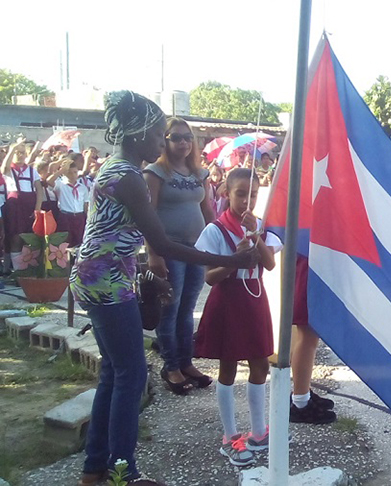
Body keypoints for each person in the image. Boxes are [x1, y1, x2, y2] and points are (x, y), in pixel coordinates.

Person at [70, 91, 258, 485]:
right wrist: (231, 261)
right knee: (131, 375)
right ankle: (125, 474)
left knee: (114, 372)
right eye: (158, 134)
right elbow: (166, 243)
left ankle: (94, 470)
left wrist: (145, 272)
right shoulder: (128, 177)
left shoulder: (117, 169)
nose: (161, 142)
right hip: (106, 283)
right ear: (138, 134)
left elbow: (115, 234)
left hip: (100, 276)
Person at [194, 168, 280, 466]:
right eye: (240, 194)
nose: (247, 200)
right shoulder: (215, 230)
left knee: (260, 365)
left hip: (254, 299)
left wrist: (256, 237)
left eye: (252, 194)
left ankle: (258, 431)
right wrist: (234, 261)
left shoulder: (261, 227)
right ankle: (230, 436)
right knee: (228, 367)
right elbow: (209, 277)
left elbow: (269, 264)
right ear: (226, 193)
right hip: (228, 301)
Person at [144, 117, 216, 395]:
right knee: (170, 309)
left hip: (195, 249)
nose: (184, 142)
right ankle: (171, 366)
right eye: (176, 137)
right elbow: (148, 215)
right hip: (170, 249)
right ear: (165, 140)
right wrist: (154, 254)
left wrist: (220, 242)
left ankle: (186, 362)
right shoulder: (155, 173)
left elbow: (208, 210)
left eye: (188, 137)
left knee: (187, 309)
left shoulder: (199, 172)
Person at [2, 138, 44, 270]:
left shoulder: (32, 170)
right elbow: (4, 168)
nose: (20, 155)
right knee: (15, 237)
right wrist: (13, 148)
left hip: (29, 206)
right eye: (17, 152)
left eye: (22, 153)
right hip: (14, 206)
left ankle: (26, 267)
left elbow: (39, 190)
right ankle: (17, 270)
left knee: (29, 237)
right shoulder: (9, 170)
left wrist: (37, 208)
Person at [46, 156, 89, 247]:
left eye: (75, 172)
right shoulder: (60, 185)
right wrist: (61, 171)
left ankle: (77, 261)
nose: (73, 175)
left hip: (79, 217)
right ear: (65, 173)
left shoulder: (82, 188)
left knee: (79, 242)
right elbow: (49, 181)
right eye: (69, 172)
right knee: (65, 243)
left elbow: (85, 205)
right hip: (65, 216)